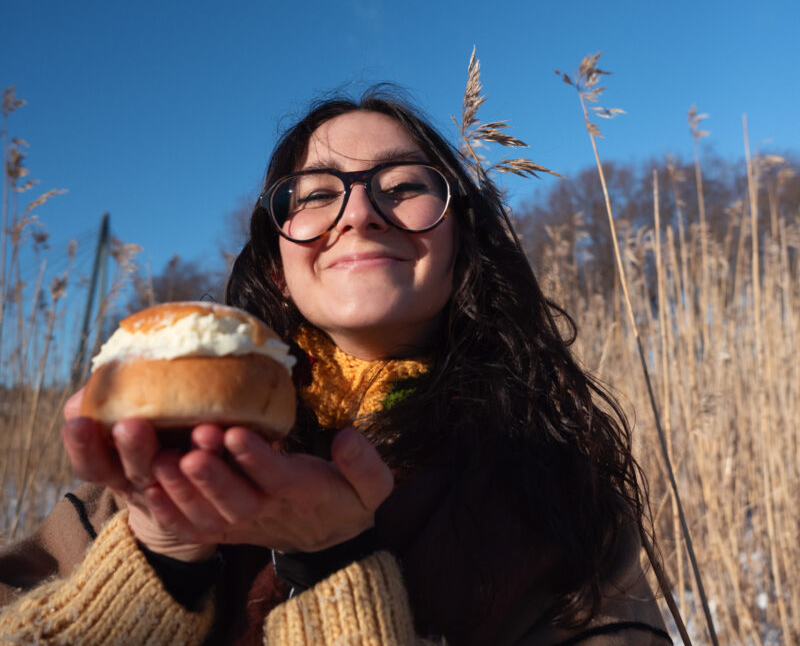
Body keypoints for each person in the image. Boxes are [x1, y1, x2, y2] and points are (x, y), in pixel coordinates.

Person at [0, 88, 672, 645]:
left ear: (463, 245)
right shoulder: (158, 458)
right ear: (278, 268)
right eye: (317, 195)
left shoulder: (562, 505)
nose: (358, 213)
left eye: (403, 185)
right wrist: (158, 553)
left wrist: (335, 567)